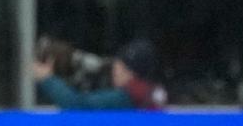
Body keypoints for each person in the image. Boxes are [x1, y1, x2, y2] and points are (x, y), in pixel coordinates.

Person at [34, 37, 168, 109]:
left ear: (131, 72)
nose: (114, 70)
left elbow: (78, 106)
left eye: (121, 67)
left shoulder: (125, 98)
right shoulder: (151, 94)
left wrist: (48, 79)